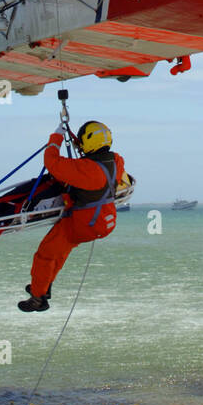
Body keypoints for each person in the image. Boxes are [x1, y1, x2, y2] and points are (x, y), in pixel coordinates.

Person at [18, 120, 126, 312]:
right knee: (60, 251)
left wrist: (56, 136)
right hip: (104, 221)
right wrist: (78, 143)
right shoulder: (116, 161)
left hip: (83, 224)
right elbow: (95, 169)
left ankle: (37, 299)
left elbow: (52, 162)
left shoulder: (88, 170)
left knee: (45, 255)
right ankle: (44, 286)